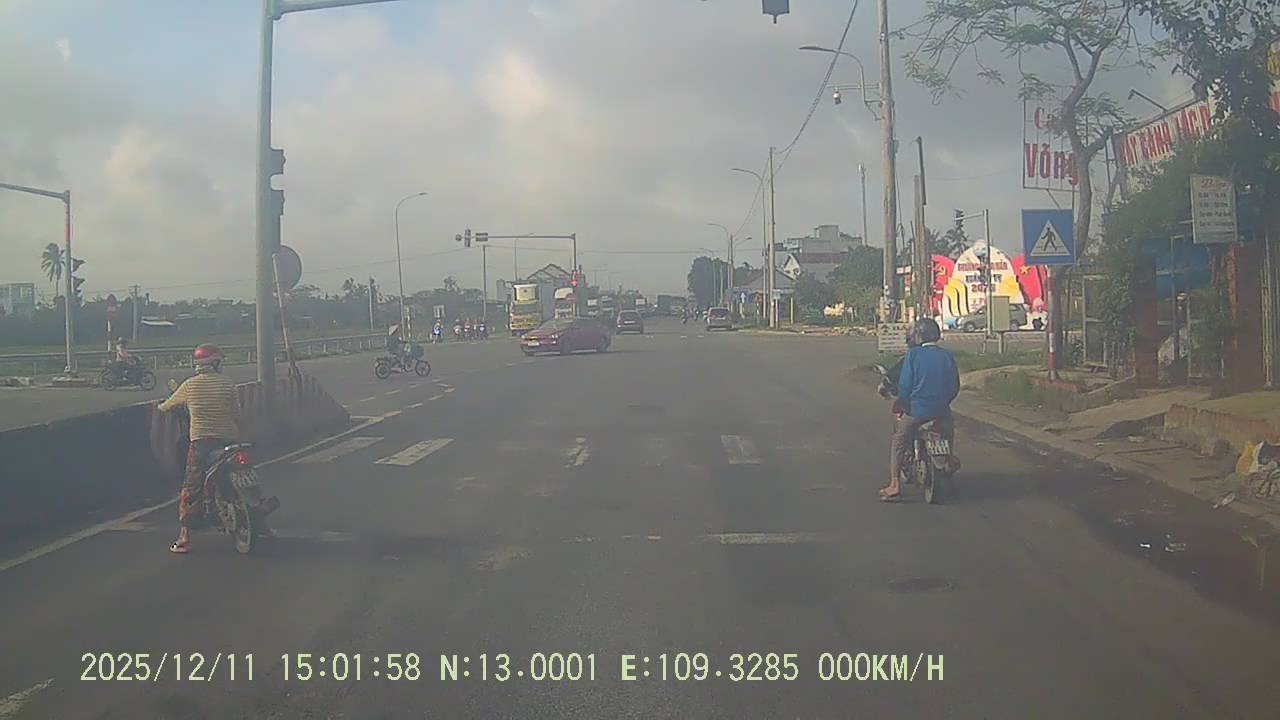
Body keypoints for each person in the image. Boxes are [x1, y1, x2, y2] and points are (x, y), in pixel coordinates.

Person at [156, 344, 240, 553]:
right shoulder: (228, 383)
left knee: (192, 487)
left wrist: (162, 405)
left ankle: (184, 536)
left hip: (202, 443)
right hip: (229, 439)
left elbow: (166, 406)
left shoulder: (190, 385)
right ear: (215, 363)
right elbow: (236, 411)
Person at [881, 317, 959, 502]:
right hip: (941, 410)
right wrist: (943, 402)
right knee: (948, 432)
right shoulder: (947, 355)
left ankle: (894, 484)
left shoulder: (913, 355)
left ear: (918, 336)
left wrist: (903, 402)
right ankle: (948, 460)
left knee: (899, 440)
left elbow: (905, 385)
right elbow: (954, 386)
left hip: (917, 411)